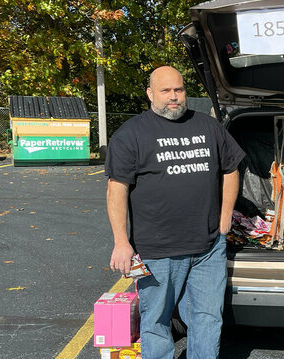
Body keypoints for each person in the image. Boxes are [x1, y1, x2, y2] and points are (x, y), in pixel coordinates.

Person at [106, 66, 245, 358]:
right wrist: (121, 241)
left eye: (178, 90)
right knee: (155, 320)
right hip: (157, 250)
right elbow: (116, 189)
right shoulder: (131, 134)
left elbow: (231, 168)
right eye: (165, 91)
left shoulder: (207, 126)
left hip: (208, 248)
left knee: (207, 318)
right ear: (150, 94)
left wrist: (224, 220)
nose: (173, 97)